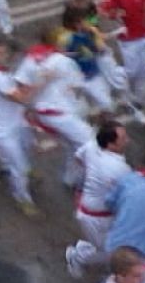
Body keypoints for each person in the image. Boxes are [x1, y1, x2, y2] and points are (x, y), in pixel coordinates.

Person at [14, 27, 94, 191]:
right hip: (60, 112)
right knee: (91, 143)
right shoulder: (63, 61)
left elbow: (21, 83)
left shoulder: (31, 58)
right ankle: (93, 182)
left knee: (74, 145)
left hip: (44, 113)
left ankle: (71, 179)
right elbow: (78, 85)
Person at [67, 0, 145, 124]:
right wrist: (118, 31)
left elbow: (98, 16)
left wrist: (112, 13)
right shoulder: (77, 17)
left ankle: (124, 105)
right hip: (95, 53)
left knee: (112, 83)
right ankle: (123, 107)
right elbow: (96, 35)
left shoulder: (88, 7)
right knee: (114, 81)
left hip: (95, 50)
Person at [0, 39, 39, 215]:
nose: (4, 56)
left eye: (4, 52)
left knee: (26, 149)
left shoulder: (0, 71)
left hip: (17, 121)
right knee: (16, 165)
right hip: (3, 129)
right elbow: (21, 98)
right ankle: (23, 198)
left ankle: (26, 170)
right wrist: (40, 82)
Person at [65, 121, 132, 279]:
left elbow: (78, 160)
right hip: (96, 217)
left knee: (111, 244)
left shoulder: (90, 146)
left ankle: (83, 249)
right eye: (123, 138)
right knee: (110, 253)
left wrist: (81, 186)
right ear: (110, 144)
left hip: (97, 211)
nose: (127, 140)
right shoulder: (119, 168)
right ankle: (76, 257)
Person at [56, 5, 114, 118]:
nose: (87, 22)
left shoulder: (90, 32)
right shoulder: (65, 38)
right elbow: (59, 55)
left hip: (93, 73)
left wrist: (98, 46)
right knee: (82, 110)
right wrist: (76, 54)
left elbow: (99, 49)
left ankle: (104, 121)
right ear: (76, 23)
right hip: (77, 77)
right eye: (84, 20)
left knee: (106, 103)